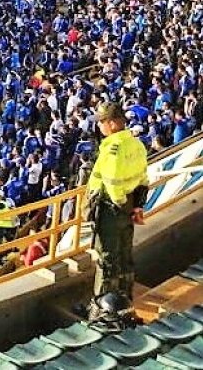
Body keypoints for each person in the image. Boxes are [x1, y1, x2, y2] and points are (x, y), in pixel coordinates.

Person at [87, 102, 148, 308]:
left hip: (111, 208)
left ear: (112, 124)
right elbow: (143, 179)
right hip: (129, 204)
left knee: (107, 257)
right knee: (124, 253)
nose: (99, 126)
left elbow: (112, 186)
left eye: (102, 122)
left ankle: (104, 306)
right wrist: (136, 207)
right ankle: (125, 296)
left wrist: (121, 205)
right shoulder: (136, 144)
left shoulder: (112, 150)